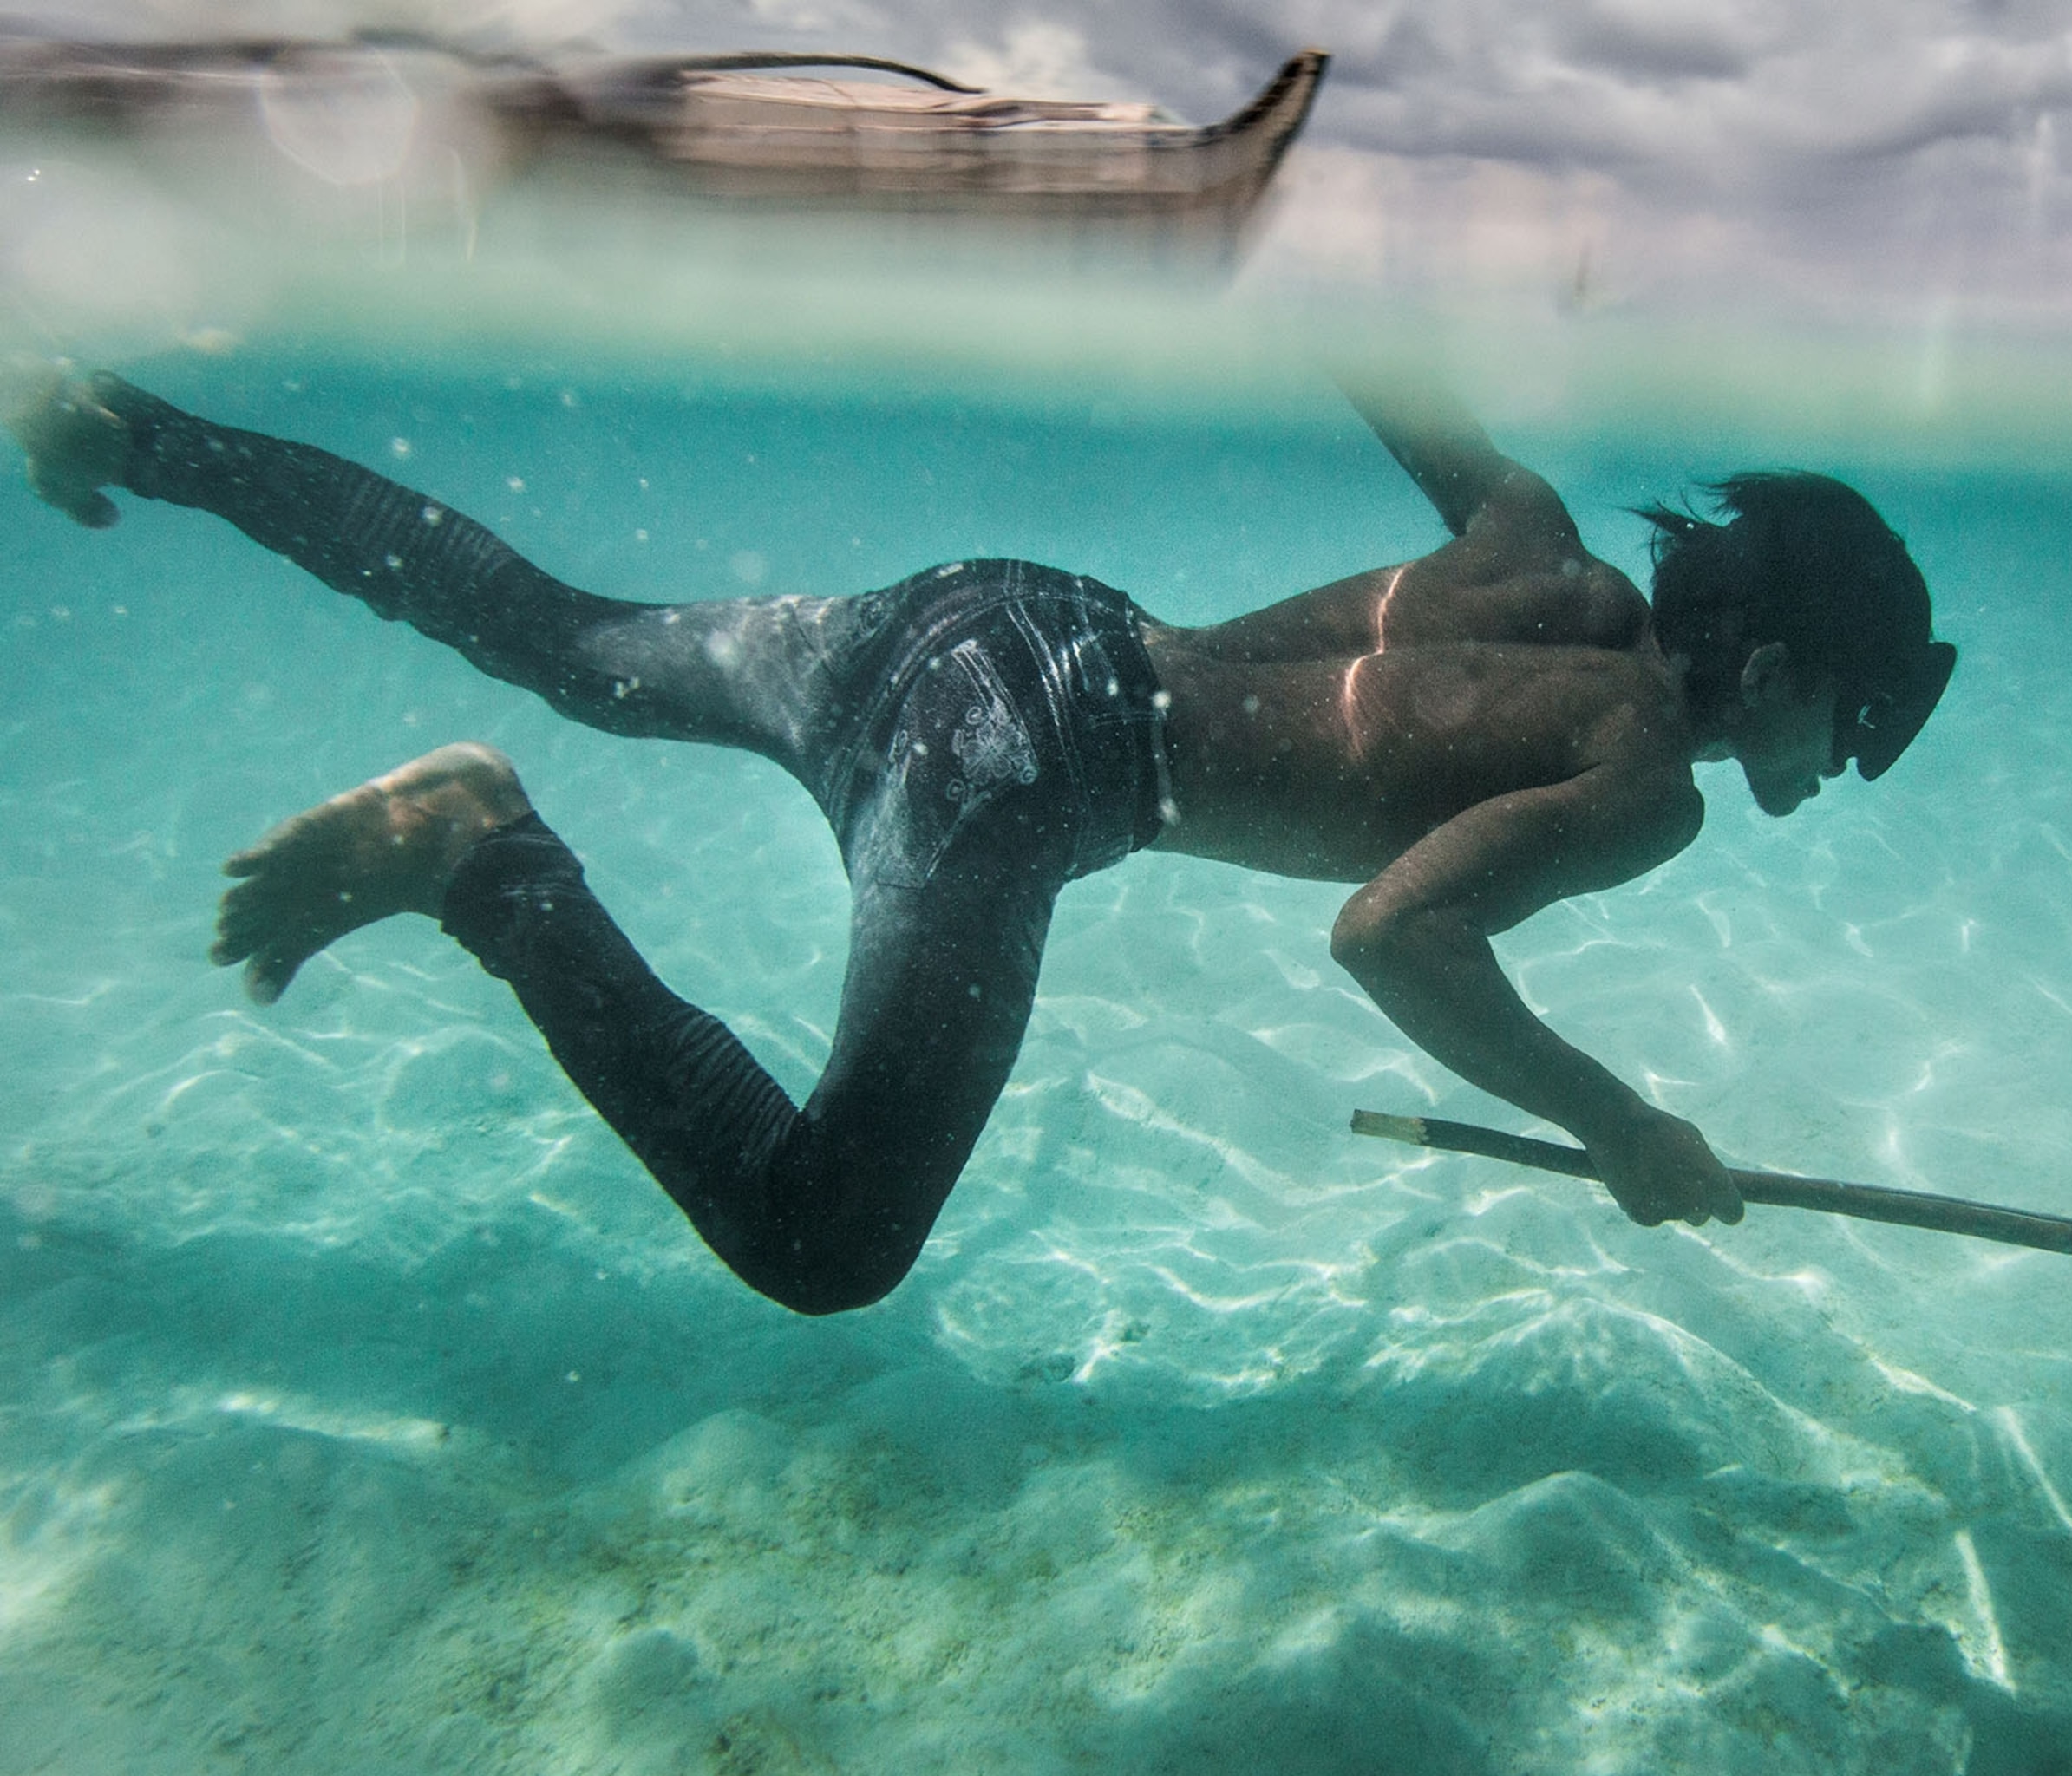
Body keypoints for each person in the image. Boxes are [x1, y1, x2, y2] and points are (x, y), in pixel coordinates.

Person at [4, 363, 1955, 1314]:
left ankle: (135, 432)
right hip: (1021, 766)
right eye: (1843, 727)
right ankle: (477, 855)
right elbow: (1396, 939)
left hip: (996, 618)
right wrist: (1619, 1124)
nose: (1833, 771)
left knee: (563, 637)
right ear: (1768, 661)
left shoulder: (1527, 525)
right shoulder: (1648, 780)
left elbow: (1365, 330)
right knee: (821, 1242)